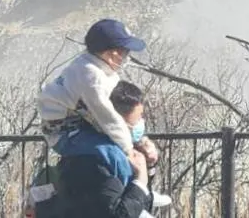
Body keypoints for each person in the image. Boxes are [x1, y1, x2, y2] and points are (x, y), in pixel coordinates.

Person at [38, 18, 147, 165]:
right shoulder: (91, 77)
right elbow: (109, 119)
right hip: (64, 135)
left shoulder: (95, 66)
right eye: (125, 51)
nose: (127, 57)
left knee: (115, 151)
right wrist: (129, 149)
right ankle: (132, 185)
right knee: (114, 156)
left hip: (82, 123)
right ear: (112, 53)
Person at [58, 81, 170, 218]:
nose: (141, 123)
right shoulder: (92, 158)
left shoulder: (112, 150)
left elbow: (136, 203)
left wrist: (149, 165)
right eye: (135, 121)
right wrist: (140, 180)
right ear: (114, 121)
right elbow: (118, 213)